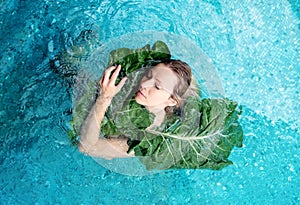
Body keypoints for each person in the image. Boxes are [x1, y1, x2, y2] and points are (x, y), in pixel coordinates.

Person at [78, 59, 195, 159]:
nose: (144, 84)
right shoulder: (136, 84)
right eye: (149, 75)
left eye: (157, 86)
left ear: (172, 100)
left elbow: (86, 147)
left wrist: (104, 98)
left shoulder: (148, 140)